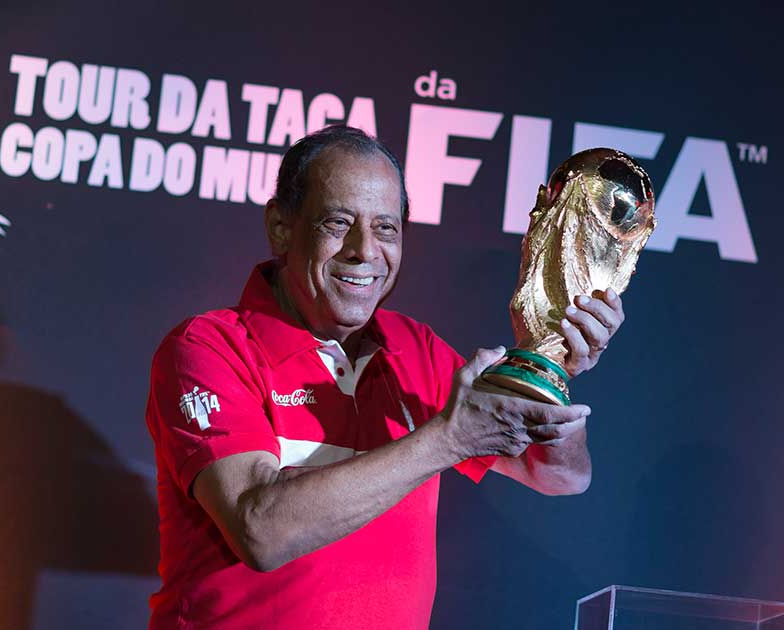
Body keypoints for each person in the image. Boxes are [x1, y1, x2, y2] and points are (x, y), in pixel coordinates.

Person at [144, 125, 624, 629]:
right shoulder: (207, 347)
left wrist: (548, 362)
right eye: (337, 223)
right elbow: (260, 530)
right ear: (281, 226)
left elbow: (559, 474)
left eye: (386, 228)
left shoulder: (415, 349)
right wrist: (445, 441)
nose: (364, 251)